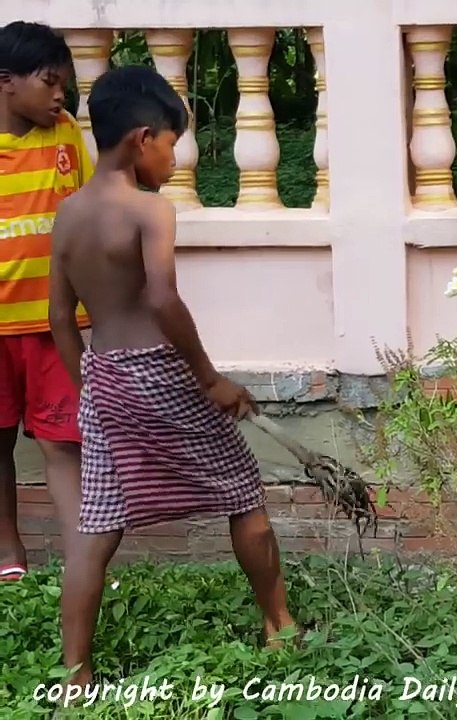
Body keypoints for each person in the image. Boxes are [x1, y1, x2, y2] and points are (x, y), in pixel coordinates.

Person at [47, 64, 295, 693]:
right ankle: (279, 625)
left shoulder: (69, 213)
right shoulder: (150, 210)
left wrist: (91, 387)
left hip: (104, 373)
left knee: (96, 525)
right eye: (171, 144)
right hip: (161, 370)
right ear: (141, 138)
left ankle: (75, 673)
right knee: (243, 491)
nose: (174, 160)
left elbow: (59, 316)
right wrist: (210, 378)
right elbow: (162, 299)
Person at [0, 21, 91, 583]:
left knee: (64, 443)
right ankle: (8, 554)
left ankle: (84, 556)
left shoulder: (64, 135)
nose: (61, 96)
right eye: (50, 82)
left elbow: (84, 214)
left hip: (56, 327)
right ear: (6, 81)